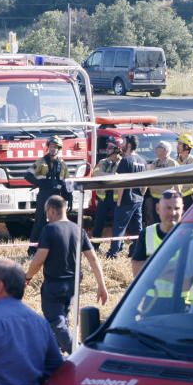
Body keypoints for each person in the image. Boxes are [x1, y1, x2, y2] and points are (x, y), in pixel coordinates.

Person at [25, 195, 109, 353]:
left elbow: (38, 260)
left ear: (51, 210)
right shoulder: (79, 230)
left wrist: (27, 277)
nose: (46, 216)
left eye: (46, 212)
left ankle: (78, 354)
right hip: (73, 286)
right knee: (63, 320)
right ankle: (57, 356)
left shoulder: (49, 230)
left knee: (56, 321)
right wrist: (101, 285)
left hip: (54, 285)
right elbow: (93, 259)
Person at [24, 136, 70, 255]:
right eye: (51, 146)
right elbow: (27, 175)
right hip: (44, 194)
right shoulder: (41, 161)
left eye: (55, 147)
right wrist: (40, 183)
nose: (53, 149)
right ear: (48, 147)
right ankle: (33, 250)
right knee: (40, 221)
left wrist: (68, 195)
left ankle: (53, 249)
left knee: (57, 222)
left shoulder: (63, 164)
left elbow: (66, 181)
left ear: (59, 149)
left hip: (57, 195)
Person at [108, 134, 146, 257]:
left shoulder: (125, 161)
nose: (121, 146)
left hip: (126, 199)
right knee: (137, 228)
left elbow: (121, 183)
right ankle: (138, 251)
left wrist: (119, 200)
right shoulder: (142, 161)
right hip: (138, 199)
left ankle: (114, 253)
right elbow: (146, 183)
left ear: (129, 145)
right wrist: (142, 195)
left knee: (119, 227)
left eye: (123, 143)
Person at [131, 189, 183, 277]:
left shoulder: (190, 236)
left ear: (182, 210)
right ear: (158, 209)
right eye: (168, 208)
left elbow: (188, 279)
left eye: (177, 208)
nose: (172, 213)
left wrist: (152, 267)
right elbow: (137, 271)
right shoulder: (147, 234)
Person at [91, 136, 122, 250]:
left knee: (117, 224)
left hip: (117, 199)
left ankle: (117, 247)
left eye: (110, 147)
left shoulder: (123, 163)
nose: (107, 149)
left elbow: (121, 178)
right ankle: (94, 246)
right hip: (103, 198)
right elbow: (95, 174)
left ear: (117, 149)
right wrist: (112, 176)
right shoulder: (103, 162)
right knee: (98, 223)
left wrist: (107, 176)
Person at [142, 141, 178, 227]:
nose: (156, 149)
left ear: (165, 150)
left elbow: (177, 182)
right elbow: (149, 178)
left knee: (166, 221)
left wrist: (177, 197)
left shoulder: (172, 164)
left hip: (167, 200)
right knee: (155, 222)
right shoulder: (155, 163)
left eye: (159, 147)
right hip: (155, 198)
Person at [176, 134, 193, 210]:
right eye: (178, 144)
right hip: (177, 197)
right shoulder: (175, 161)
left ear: (187, 147)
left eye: (180, 144)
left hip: (189, 198)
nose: (177, 146)